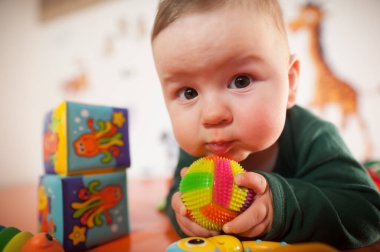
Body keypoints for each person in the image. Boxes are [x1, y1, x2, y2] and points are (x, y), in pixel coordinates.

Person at [150, 0, 380, 249]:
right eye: (188, 92)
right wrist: (184, 217)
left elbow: (367, 213)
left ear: (290, 83)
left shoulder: (313, 135)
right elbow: (175, 195)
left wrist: (282, 208)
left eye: (241, 81)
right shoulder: (200, 148)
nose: (212, 115)